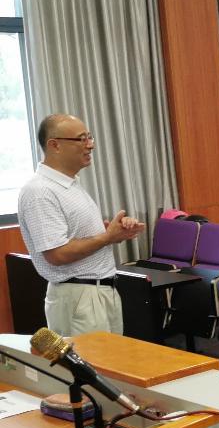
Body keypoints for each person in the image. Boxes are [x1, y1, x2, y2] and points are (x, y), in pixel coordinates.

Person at [17, 114, 145, 336]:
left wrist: (112, 232)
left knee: (113, 359)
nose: (90, 145)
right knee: (86, 360)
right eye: (81, 139)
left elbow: (79, 236)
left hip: (99, 291)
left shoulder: (69, 184)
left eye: (89, 137)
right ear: (54, 145)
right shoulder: (40, 191)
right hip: (79, 297)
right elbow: (57, 254)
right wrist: (107, 237)